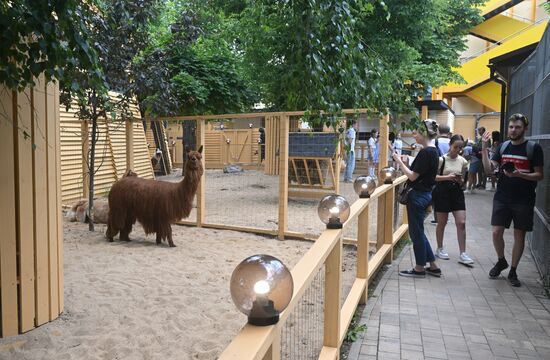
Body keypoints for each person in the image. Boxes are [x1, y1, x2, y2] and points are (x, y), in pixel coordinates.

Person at [481, 113, 544, 287]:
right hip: (502, 196)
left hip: (524, 199)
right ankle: (501, 260)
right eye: (511, 127)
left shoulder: (533, 148)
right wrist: (484, 148)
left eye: (517, 127)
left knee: (519, 235)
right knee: (496, 232)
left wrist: (519, 174)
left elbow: (540, 175)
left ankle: (513, 271)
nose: (513, 130)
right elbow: (488, 170)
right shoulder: (502, 147)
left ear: (525, 128)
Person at [393, 119, 441, 278]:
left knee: (416, 233)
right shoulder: (434, 151)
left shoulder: (425, 152)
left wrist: (399, 162)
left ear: (424, 133)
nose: (414, 135)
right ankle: (432, 265)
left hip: (418, 195)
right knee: (419, 231)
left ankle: (419, 267)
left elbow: (413, 177)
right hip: (426, 194)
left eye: (417, 132)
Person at [432, 134, 474, 265]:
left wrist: (460, 180)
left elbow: (464, 182)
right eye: (456, 147)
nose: (458, 150)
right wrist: (447, 177)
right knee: (442, 222)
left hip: (457, 192)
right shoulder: (441, 160)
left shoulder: (463, 161)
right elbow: (433, 177)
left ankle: (463, 253)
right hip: (442, 191)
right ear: (450, 145)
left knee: (461, 222)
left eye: (461, 147)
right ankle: (440, 248)